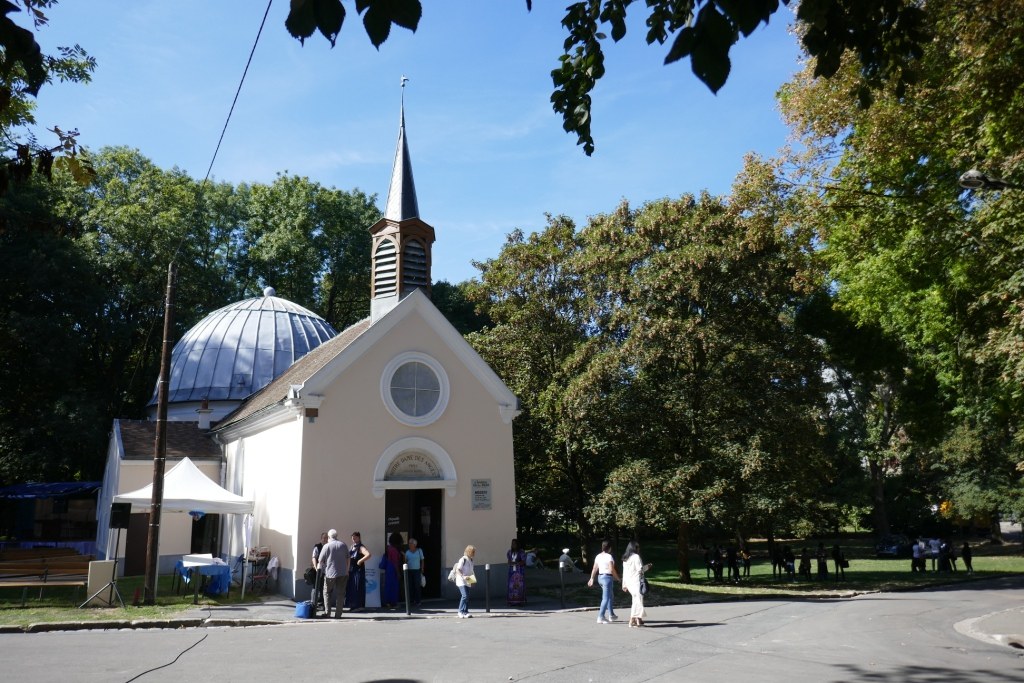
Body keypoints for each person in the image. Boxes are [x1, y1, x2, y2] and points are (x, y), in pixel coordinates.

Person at [317, 529, 348, 618]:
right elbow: (348, 558)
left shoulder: (326, 546)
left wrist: (320, 568)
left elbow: (320, 560)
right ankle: (338, 614)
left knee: (326, 592)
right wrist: (347, 570)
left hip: (330, 573)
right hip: (342, 573)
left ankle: (328, 612)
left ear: (329, 537)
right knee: (340, 594)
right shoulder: (343, 545)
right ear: (336, 536)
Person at [587, 539, 620, 624]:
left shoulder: (598, 556)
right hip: (607, 578)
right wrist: (618, 578)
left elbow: (595, 568)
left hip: (600, 578)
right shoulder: (609, 556)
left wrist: (591, 578)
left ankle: (611, 615)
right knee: (606, 598)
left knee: (610, 596)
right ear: (610, 548)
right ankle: (600, 617)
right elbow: (611, 569)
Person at [621, 540, 652, 628]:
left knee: (636, 600)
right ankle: (632, 620)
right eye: (638, 547)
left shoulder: (625, 558)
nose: (639, 549)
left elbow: (624, 573)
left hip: (629, 582)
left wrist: (624, 584)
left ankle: (637, 620)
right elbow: (640, 570)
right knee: (638, 600)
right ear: (635, 548)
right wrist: (648, 567)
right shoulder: (636, 557)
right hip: (636, 581)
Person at [345, 531, 372, 611]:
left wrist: (360, 561)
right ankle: (353, 605)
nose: (353, 539)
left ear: (359, 538)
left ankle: (358, 606)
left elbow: (368, 554)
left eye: (355, 538)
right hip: (352, 570)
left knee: (357, 587)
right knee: (352, 587)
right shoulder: (352, 546)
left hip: (358, 570)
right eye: (352, 538)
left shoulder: (361, 547)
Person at [379, 532, 402, 608]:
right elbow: (395, 562)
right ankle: (393, 603)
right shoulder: (394, 550)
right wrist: (398, 573)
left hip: (388, 569)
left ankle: (387, 602)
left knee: (388, 586)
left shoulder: (389, 548)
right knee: (394, 587)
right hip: (393, 569)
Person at [455, 544, 477, 618]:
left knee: (467, 597)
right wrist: (463, 576)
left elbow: (471, 572)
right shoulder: (463, 559)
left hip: (468, 580)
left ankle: (465, 612)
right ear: (469, 551)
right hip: (461, 580)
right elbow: (458, 569)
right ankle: (460, 611)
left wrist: (473, 581)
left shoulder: (471, 560)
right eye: (473, 552)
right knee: (465, 596)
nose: (474, 553)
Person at [506, 538, 526, 606]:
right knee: (511, 586)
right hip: (511, 572)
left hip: (519, 571)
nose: (513, 545)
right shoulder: (509, 552)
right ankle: (512, 601)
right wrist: (511, 563)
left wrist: (516, 563)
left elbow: (523, 561)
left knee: (519, 586)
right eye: (512, 544)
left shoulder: (521, 552)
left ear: (517, 544)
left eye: (514, 544)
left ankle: (519, 601)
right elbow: (509, 561)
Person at [405, 537, 425, 607]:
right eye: (409, 543)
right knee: (410, 586)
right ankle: (411, 600)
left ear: (414, 544)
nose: (409, 544)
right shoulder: (407, 552)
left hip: (417, 570)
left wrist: (422, 568)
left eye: (410, 543)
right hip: (409, 571)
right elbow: (405, 561)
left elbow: (422, 560)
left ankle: (418, 601)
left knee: (417, 586)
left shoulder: (419, 551)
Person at [311, 531, 327, 611]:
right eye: (324, 538)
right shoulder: (317, 547)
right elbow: (314, 557)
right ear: (321, 539)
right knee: (316, 587)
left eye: (326, 538)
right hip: (318, 570)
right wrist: (315, 567)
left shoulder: (328, 546)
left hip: (327, 571)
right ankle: (314, 603)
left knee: (324, 588)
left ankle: (322, 604)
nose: (325, 539)